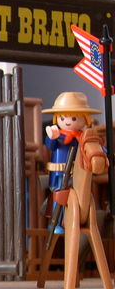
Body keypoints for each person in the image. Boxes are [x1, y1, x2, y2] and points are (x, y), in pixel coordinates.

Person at [43, 92, 99, 232]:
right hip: (59, 174)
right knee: (59, 195)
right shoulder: (58, 136)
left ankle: (73, 220)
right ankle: (55, 222)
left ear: (84, 119)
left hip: (77, 174)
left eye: (73, 118)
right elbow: (50, 146)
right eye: (62, 118)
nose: (67, 121)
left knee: (79, 196)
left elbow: (93, 147)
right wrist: (52, 137)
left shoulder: (81, 137)